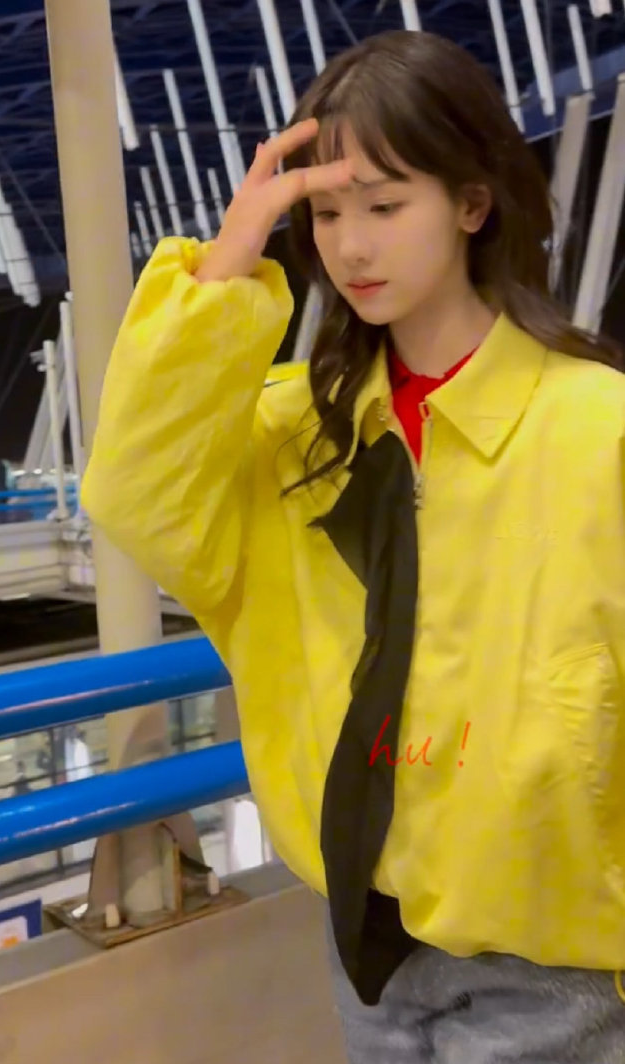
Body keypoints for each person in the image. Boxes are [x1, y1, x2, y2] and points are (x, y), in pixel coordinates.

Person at [82, 29, 625, 1063]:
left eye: (384, 205)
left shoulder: (596, 428)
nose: (351, 248)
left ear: (472, 204)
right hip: (365, 952)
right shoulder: (297, 434)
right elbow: (134, 492)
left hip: (559, 964)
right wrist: (229, 263)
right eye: (325, 215)